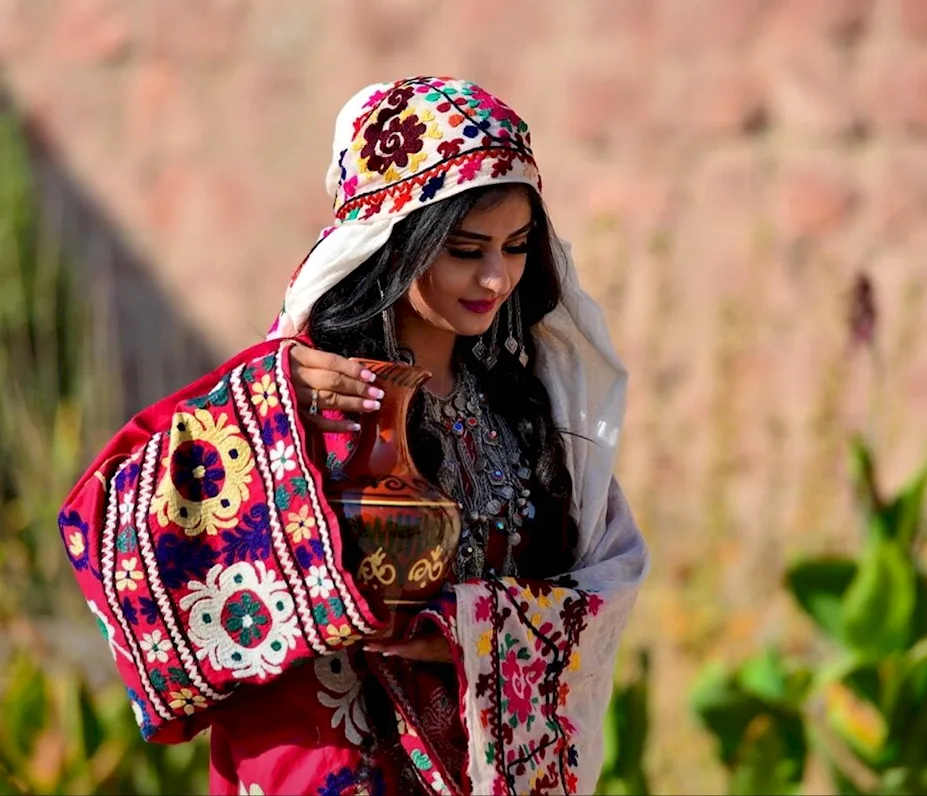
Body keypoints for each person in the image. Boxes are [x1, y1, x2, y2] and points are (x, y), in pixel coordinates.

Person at [58, 76, 649, 796]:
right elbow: (100, 523)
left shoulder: (523, 412)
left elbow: (604, 584)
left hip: (474, 765)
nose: (496, 278)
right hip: (320, 764)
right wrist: (268, 411)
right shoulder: (292, 394)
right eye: (466, 248)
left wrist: (474, 632)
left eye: (517, 246)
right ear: (393, 243)